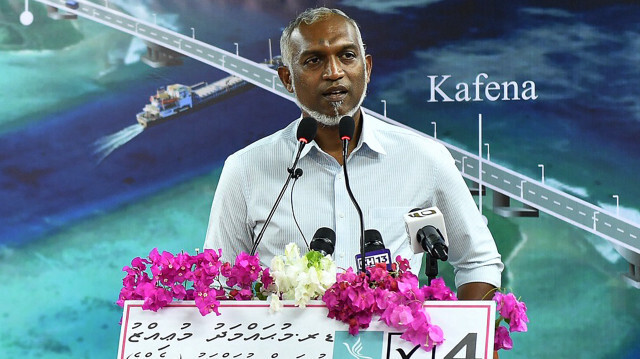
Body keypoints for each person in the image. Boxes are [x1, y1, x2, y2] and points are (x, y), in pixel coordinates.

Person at [204, 7, 503, 300]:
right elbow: (218, 284)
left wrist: (470, 342)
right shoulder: (244, 169)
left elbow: (479, 262)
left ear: (367, 68)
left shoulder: (425, 159)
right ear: (287, 79)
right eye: (313, 60)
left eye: (347, 56)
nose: (334, 72)